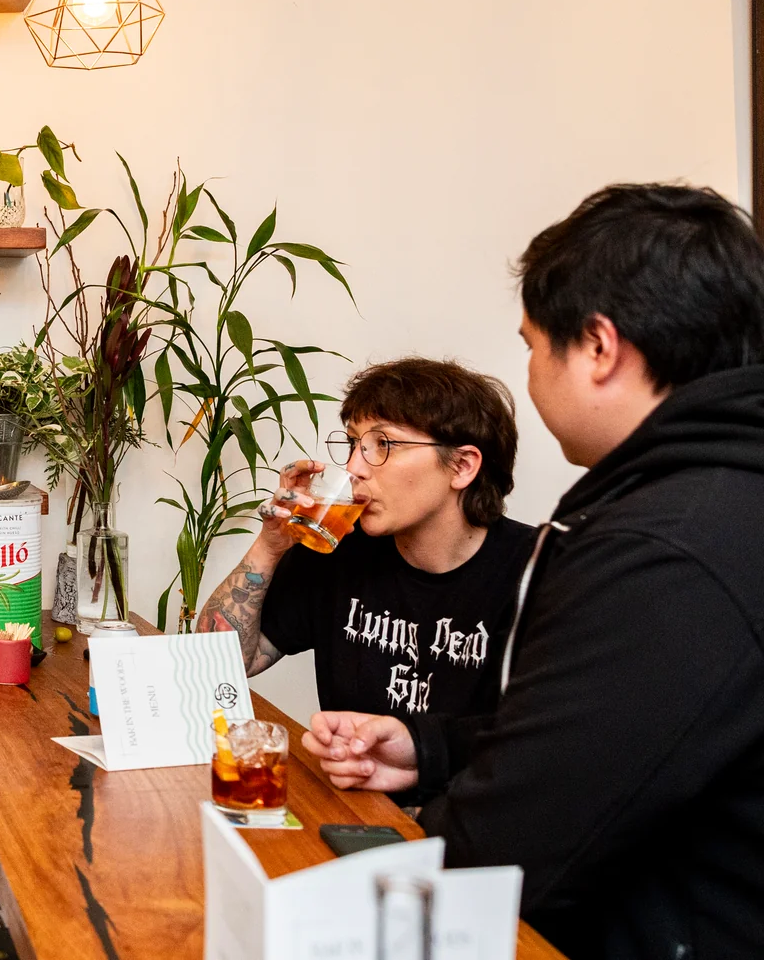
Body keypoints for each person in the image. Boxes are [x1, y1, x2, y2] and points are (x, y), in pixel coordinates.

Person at [305, 184, 764, 959]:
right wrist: (430, 745)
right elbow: (626, 736)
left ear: (597, 346)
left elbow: (513, 845)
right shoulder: (708, 501)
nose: (528, 368)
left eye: (531, 342)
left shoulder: (665, 550)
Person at [200, 358, 533, 722]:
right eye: (353, 443)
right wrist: (269, 546)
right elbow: (220, 663)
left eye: (383, 443)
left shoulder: (538, 571)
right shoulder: (338, 548)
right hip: (344, 780)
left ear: (462, 466)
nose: (354, 466)